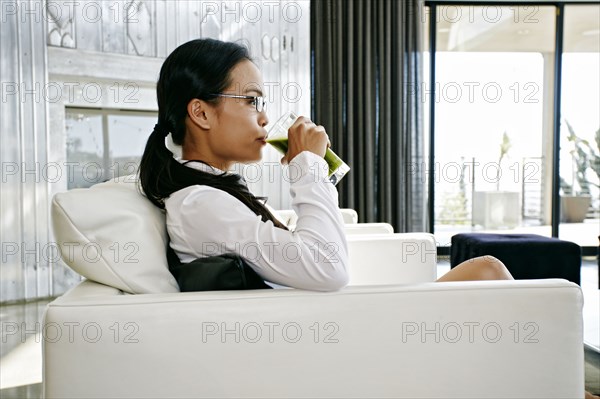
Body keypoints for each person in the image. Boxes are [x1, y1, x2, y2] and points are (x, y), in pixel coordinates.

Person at [138, 37, 514, 290]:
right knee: (488, 271)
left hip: (325, 321)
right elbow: (329, 270)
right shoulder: (199, 204)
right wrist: (307, 166)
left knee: (486, 272)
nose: (265, 118)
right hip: (332, 335)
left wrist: (310, 170)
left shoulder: (211, 193)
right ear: (201, 113)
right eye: (252, 100)